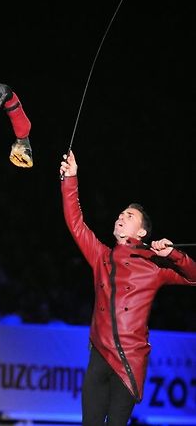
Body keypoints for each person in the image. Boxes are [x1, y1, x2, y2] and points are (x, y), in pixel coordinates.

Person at [59, 150, 196, 426]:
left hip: (129, 361)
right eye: (121, 213)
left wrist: (173, 255)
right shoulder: (102, 256)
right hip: (99, 355)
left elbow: (193, 277)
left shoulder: (155, 266)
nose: (121, 215)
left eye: (129, 215)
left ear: (142, 232)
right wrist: (70, 178)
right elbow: (76, 224)